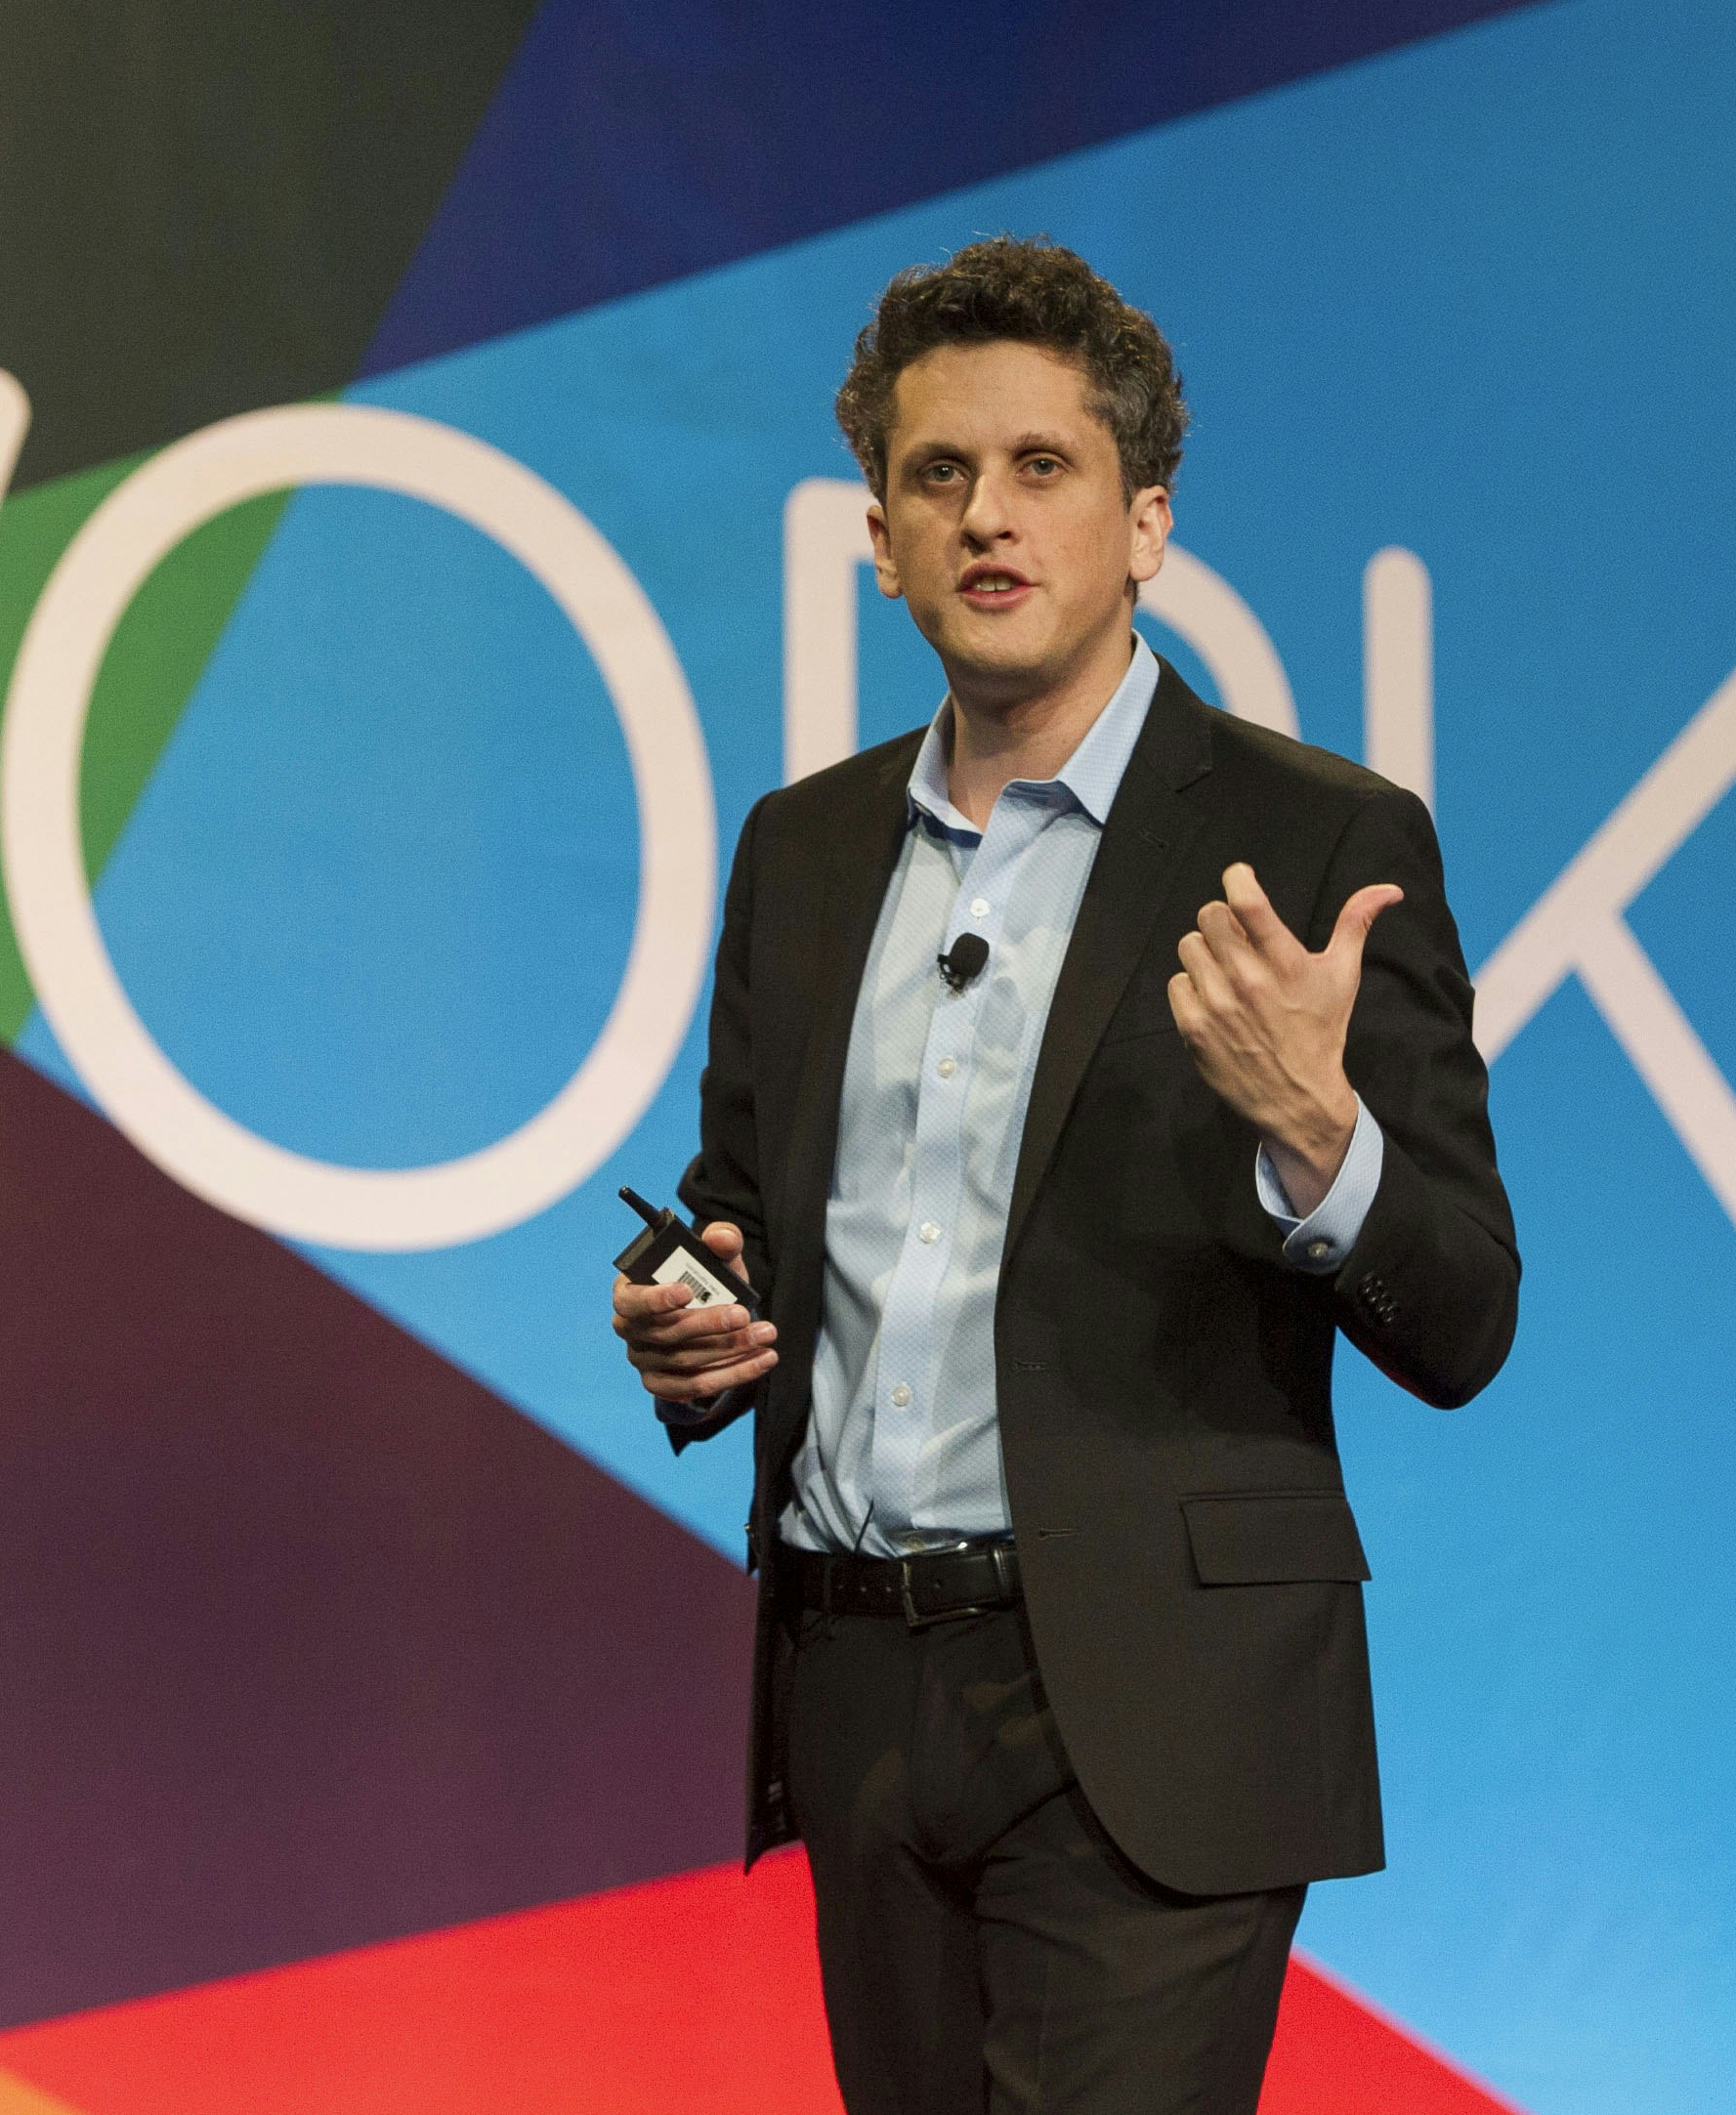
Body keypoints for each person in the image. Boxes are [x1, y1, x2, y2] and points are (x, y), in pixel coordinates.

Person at [612, 237, 1519, 2114]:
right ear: (879, 536)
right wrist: (699, 1319)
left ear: (1144, 522)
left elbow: (1463, 1318)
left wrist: (1315, 1134)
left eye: (1043, 467)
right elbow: (749, 1209)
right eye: (937, 474)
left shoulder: (1314, 838)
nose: (986, 515)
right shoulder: (802, 851)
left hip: (1152, 1703)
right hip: (858, 1682)